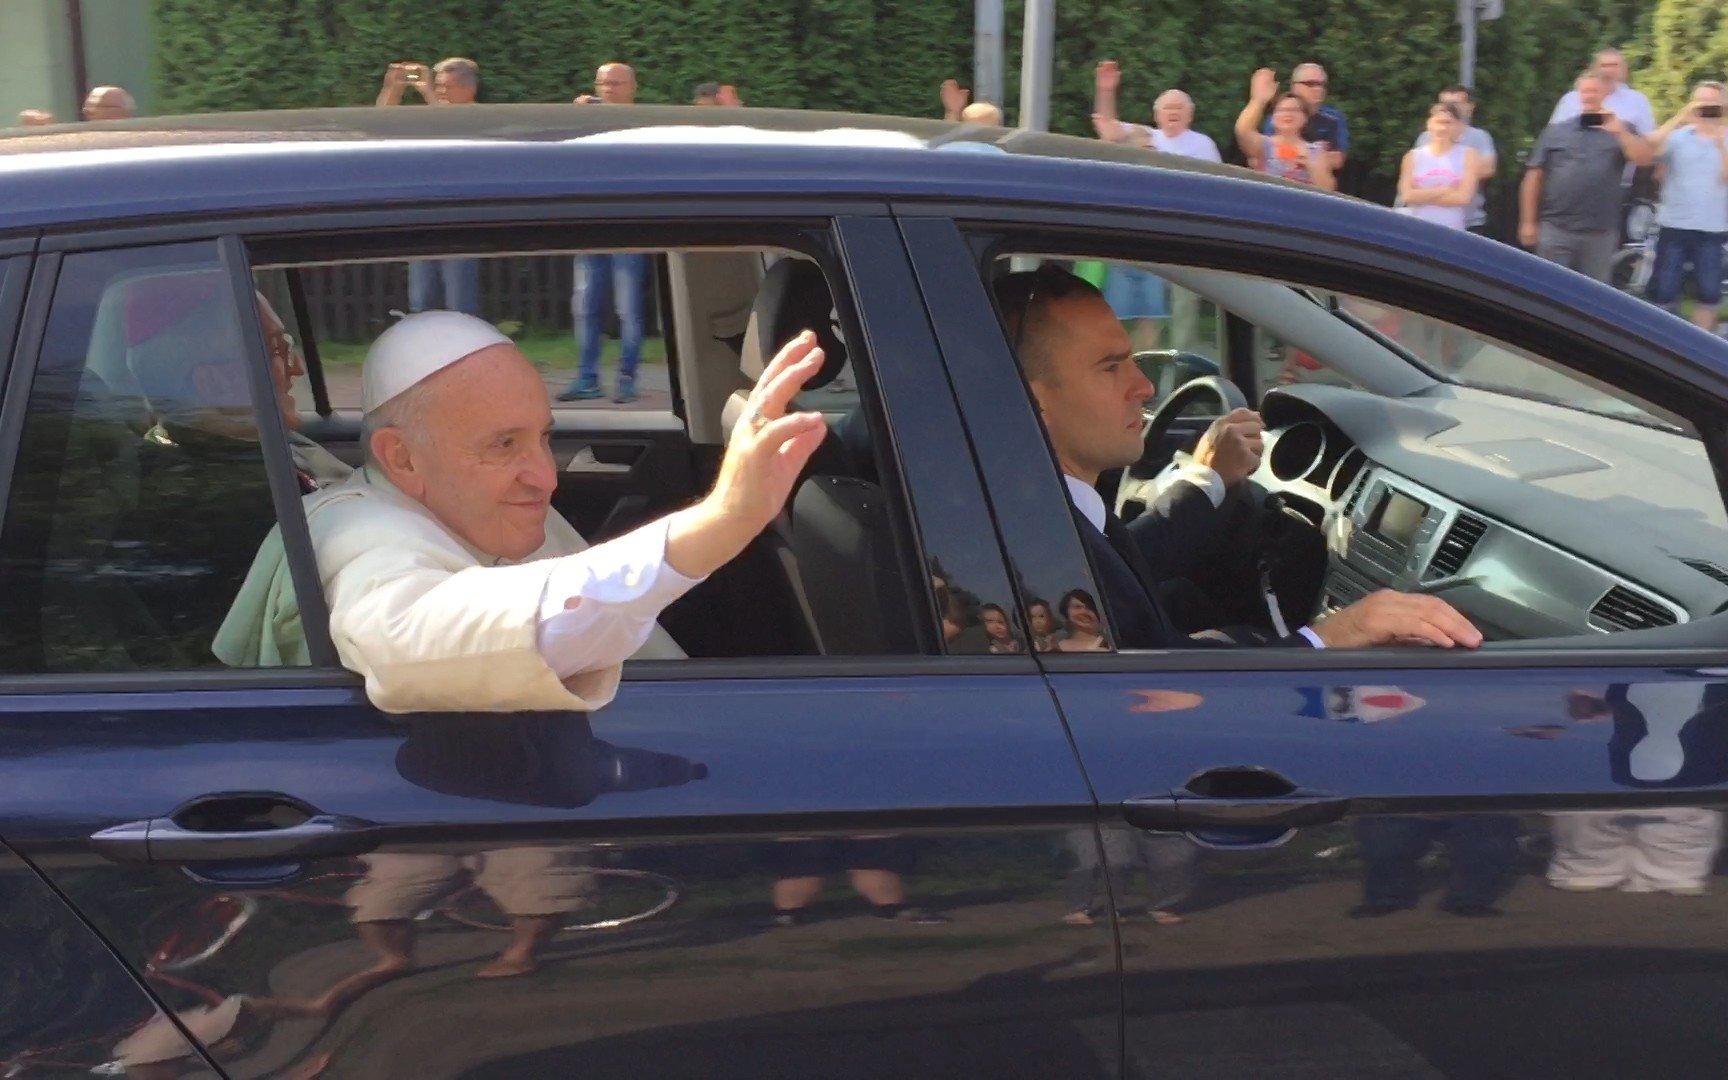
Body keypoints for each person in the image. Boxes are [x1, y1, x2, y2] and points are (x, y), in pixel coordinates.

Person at [225, 310, 826, 711]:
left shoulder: (476, 504)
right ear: (401, 460)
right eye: (503, 444)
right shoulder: (356, 535)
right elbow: (413, 634)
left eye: (544, 436)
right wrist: (721, 522)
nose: (543, 477)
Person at [996, 266, 1481, 651]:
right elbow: (1162, 685)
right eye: (1110, 367)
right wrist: (1332, 636)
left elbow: (1130, 562)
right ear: (1030, 403)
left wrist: (1206, 478)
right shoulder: (1041, 555)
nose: (1143, 387)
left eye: (1132, 360)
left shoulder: (1028, 509)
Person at [1520, 70, 1654, 281]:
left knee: (1593, 295)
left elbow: (1645, 159)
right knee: (1549, 287)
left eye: (1595, 91)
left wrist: (1620, 132)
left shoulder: (1622, 129)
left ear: (1605, 94)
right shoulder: (1556, 131)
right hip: (1556, 228)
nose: (1590, 95)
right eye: (1585, 91)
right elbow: (1533, 176)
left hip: (1600, 232)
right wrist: (1527, 222)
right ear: (1578, 94)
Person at [377, 59, 483, 317]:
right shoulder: (432, 113)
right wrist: (394, 88)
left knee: (460, 303)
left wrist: (427, 93)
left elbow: (454, 126)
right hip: (426, 217)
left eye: (446, 87)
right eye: (437, 86)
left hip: (460, 221)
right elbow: (381, 122)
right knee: (422, 302)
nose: (441, 93)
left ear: (469, 89)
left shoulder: (478, 115)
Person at [1645, 82, 1728, 332]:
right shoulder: (1679, 137)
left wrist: (1719, 144)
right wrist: (1681, 116)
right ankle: (1660, 344)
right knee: (1664, 290)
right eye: (1702, 103)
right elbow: (1650, 146)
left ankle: (1700, 354)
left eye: (1713, 104)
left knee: (1708, 293)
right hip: (1674, 225)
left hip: (1712, 229)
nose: (1707, 109)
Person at [1092, 62, 1221, 162]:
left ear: (1190, 115)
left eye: (1179, 107)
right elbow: (1109, 129)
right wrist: (1106, 91)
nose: (1173, 112)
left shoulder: (1203, 144)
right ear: (1156, 115)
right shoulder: (1144, 135)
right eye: (1168, 108)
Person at [1416, 85, 1498, 236]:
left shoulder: (1479, 137)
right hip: (1427, 219)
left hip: (1469, 222)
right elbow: (1414, 178)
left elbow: (1487, 169)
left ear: (1470, 107)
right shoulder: (1425, 138)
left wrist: (1440, 176)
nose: (1449, 109)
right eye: (1445, 104)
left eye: (1455, 104)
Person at [1236, 70, 1336, 192]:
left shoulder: (1315, 150)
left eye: (1294, 110)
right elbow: (1243, 131)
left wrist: (1312, 168)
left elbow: (1328, 190)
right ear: (1272, 118)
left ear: (1305, 118)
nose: (1287, 114)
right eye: (1281, 110)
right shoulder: (1264, 146)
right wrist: (1258, 100)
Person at [1397, 103, 1481, 231]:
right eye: (1438, 122)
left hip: (1452, 229)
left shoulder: (1469, 155)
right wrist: (1444, 191)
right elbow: (1408, 196)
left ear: (1458, 126)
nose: (1442, 128)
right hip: (1417, 227)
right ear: (1429, 124)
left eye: (1448, 123)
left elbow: (1463, 197)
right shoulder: (1412, 156)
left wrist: (1421, 196)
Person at [1255, 62, 1347, 174]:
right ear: (1294, 87)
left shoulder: (1333, 118)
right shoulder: (1280, 115)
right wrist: (1312, 154)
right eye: (1310, 84)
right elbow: (1270, 152)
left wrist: (1295, 153)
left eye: (1322, 85)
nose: (1318, 89)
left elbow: (1338, 159)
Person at [1550, 47, 1656, 137]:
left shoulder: (1637, 100)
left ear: (1624, 69)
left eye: (1614, 65)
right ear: (1594, 68)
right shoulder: (1570, 100)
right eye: (1604, 65)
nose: (1609, 70)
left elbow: (1648, 137)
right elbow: (1554, 135)